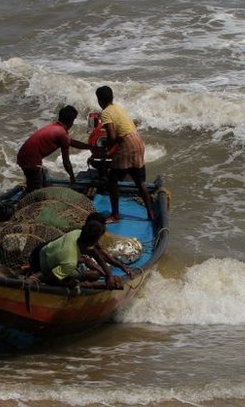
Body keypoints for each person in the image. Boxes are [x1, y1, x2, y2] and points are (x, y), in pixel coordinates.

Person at [95, 85, 155, 222]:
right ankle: (151, 213)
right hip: (138, 141)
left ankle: (115, 215)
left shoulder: (105, 113)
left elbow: (111, 137)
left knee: (112, 181)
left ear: (99, 100)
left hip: (126, 144)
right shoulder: (118, 108)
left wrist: (107, 150)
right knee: (139, 182)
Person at [16, 105, 91, 192]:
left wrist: (89, 146)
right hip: (31, 159)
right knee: (36, 190)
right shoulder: (62, 134)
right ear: (71, 122)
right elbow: (66, 161)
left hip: (24, 155)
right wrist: (72, 177)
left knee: (36, 181)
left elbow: (71, 142)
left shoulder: (56, 127)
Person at [28, 220, 108, 287]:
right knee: (93, 275)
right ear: (91, 243)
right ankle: (40, 274)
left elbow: (94, 252)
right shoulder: (70, 262)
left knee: (83, 264)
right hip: (42, 268)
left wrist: (108, 275)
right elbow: (49, 280)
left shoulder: (77, 232)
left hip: (39, 253)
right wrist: (70, 284)